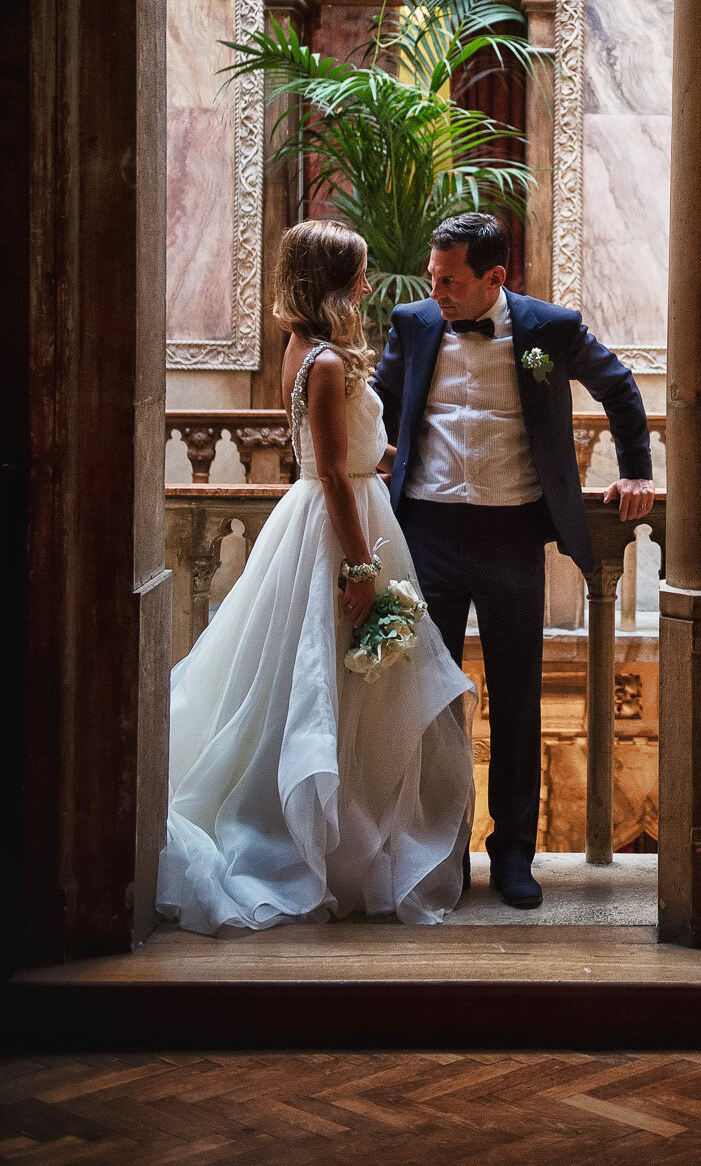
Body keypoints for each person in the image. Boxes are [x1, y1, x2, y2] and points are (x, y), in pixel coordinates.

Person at [157, 221, 477, 933]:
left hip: (318, 517)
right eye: (359, 274)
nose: (368, 285)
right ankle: (323, 846)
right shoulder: (327, 361)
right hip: (340, 528)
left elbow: (335, 449)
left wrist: (390, 453)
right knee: (331, 690)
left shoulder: (301, 348)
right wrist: (361, 568)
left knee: (332, 692)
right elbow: (331, 471)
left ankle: (340, 840)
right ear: (333, 283)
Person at [375, 212, 654, 909]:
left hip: (512, 537)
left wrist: (638, 472)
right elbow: (375, 408)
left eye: (452, 280)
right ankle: (434, 851)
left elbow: (619, 387)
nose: (437, 290)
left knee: (519, 701)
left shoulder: (548, 329)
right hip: (427, 535)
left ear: (495, 279)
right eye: (434, 278)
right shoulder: (412, 324)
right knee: (430, 701)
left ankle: (513, 858)